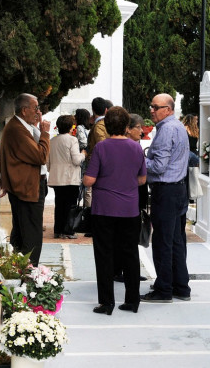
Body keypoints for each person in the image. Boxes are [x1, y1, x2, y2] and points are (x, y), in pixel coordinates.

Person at [83, 107, 147, 315]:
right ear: (127, 126)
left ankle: (107, 303)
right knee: (130, 254)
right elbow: (142, 179)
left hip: (104, 209)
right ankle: (132, 300)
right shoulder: (137, 148)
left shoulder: (102, 148)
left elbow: (89, 180)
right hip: (129, 209)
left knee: (104, 255)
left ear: (107, 125)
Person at [141, 93, 191, 303]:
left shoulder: (167, 129)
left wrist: (139, 162)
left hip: (167, 190)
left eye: (156, 107)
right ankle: (180, 286)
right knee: (177, 240)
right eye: (151, 106)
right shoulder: (177, 126)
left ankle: (164, 289)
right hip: (178, 189)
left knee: (163, 241)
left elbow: (159, 166)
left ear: (168, 110)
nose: (151, 110)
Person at [0, 93, 50, 266]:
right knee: (31, 234)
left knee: (22, 231)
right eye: (35, 108)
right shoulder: (16, 130)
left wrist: (37, 126)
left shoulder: (21, 126)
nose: (38, 111)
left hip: (28, 186)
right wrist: (45, 134)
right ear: (24, 110)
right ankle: (30, 273)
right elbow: (40, 156)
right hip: (27, 188)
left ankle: (17, 270)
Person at [113, 114, 148, 283]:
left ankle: (128, 270)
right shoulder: (127, 147)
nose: (142, 131)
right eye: (138, 127)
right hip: (127, 196)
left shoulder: (136, 145)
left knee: (131, 237)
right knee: (124, 237)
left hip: (136, 194)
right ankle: (120, 270)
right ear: (128, 129)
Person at [47, 115, 87, 239]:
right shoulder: (72, 140)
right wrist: (83, 154)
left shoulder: (52, 141)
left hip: (56, 177)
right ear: (71, 127)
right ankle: (68, 231)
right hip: (70, 178)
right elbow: (76, 160)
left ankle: (58, 230)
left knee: (59, 204)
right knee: (70, 205)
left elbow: (48, 162)